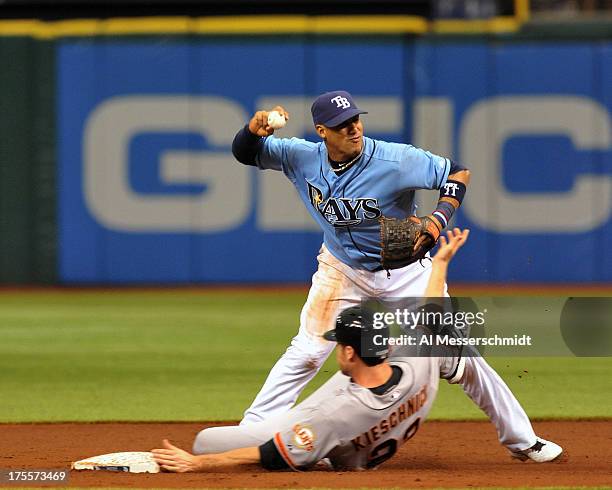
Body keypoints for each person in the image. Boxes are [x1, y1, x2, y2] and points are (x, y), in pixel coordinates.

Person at [229, 91, 561, 461]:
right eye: (342, 125)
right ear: (322, 131)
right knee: (306, 353)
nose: (353, 128)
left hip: (405, 273)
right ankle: (249, 432)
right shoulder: (300, 156)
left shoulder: (395, 158)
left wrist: (436, 221)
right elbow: (247, 152)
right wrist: (252, 130)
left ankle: (522, 441)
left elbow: (457, 172)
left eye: (356, 119)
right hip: (341, 269)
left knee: (459, 356)